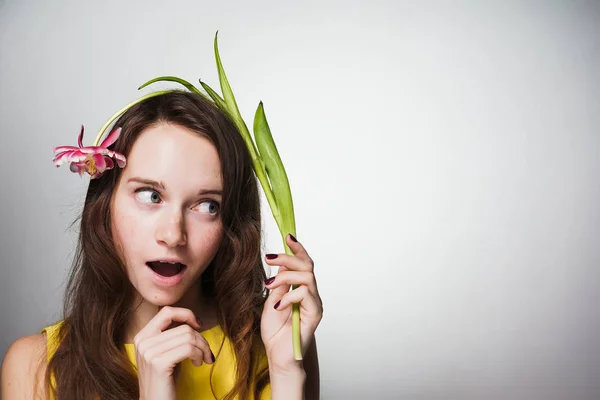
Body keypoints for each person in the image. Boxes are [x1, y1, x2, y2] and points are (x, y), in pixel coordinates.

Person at [0, 90, 323, 399]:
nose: (173, 235)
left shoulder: (277, 342)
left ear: (230, 223)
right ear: (105, 203)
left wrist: (286, 374)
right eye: (151, 196)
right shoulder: (34, 366)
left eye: (208, 205)